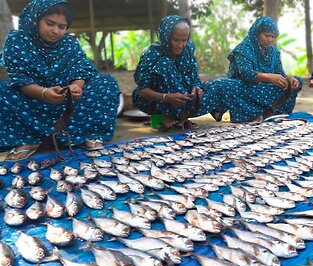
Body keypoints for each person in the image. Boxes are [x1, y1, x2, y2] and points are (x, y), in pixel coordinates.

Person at [0, 0, 120, 161]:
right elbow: (19, 79)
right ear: (35, 20)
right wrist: (43, 93)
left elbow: (81, 69)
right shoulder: (17, 40)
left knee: (106, 82)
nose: (55, 31)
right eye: (50, 23)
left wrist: (76, 87)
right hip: (30, 103)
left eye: (62, 27)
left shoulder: (69, 43)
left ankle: (87, 134)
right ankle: (27, 140)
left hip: (66, 104)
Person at [132, 15, 225, 130]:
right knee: (164, 64)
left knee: (221, 85)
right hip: (157, 101)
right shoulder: (152, 54)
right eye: (176, 40)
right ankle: (167, 117)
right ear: (166, 37)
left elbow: (194, 76)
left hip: (185, 100)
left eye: (184, 40)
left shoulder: (188, 49)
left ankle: (179, 117)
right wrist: (167, 97)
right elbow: (142, 91)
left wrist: (196, 88)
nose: (181, 45)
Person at [208, 16, 301, 122]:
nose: (270, 40)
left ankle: (271, 114)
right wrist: (269, 77)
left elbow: (280, 73)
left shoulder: (274, 52)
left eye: (273, 37)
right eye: (267, 36)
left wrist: (289, 79)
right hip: (245, 87)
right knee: (226, 84)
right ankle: (251, 116)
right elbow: (246, 74)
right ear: (257, 33)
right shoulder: (243, 49)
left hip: (263, 88)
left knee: (295, 83)